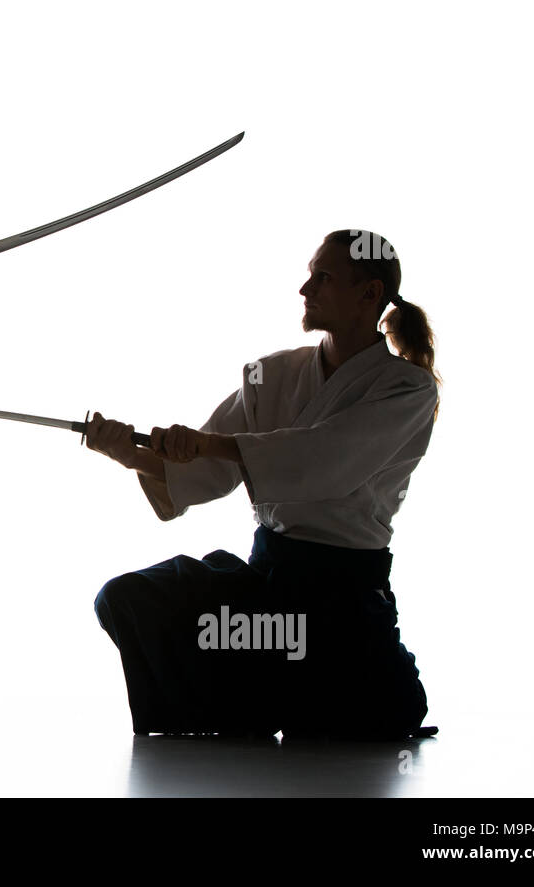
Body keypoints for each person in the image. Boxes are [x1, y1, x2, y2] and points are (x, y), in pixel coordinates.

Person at [85, 229, 440, 740]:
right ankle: (251, 704)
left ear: (370, 294)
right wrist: (128, 455)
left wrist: (209, 444)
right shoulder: (272, 374)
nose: (305, 288)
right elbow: (195, 478)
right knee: (128, 599)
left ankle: (276, 697)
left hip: (342, 599)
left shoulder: (407, 387)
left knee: (365, 707)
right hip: (267, 587)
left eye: (323, 277)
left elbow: (324, 458)